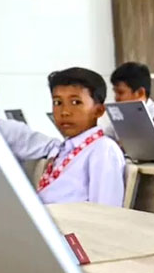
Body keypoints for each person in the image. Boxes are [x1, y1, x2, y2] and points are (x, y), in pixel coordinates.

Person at [37, 67, 125, 206]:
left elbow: (106, 210)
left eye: (75, 102)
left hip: (70, 220)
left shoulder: (103, 149)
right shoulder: (63, 149)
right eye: (57, 103)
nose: (64, 112)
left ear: (99, 110)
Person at [107, 61, 154, 137]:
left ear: (140, 93)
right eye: (115, 92)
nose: (116, 98)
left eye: (120, 92)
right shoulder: (120, 116)